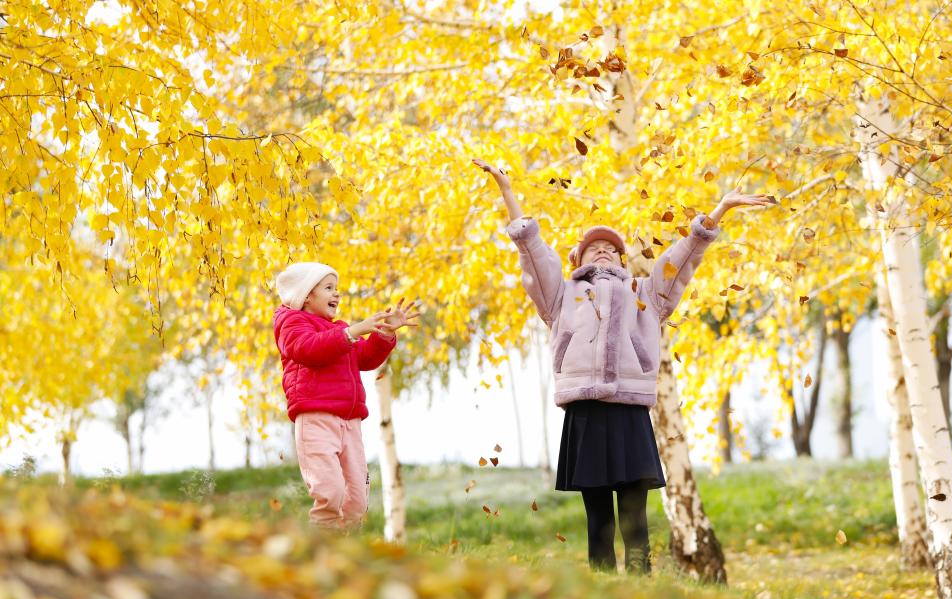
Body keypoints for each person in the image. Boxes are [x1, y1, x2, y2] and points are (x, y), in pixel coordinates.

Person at [473, 159, 771, 572]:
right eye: (594, 246)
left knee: (635, 520)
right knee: (598, 521)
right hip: (585, 413)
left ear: (623, 259)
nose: (604, 250)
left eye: (612, 248)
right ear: (577, 257)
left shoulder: (645, 292)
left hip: (630, 411)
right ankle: (604, 588)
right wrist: (508, 193)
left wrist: (717, 213)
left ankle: (640, 589)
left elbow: (682, 259)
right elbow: (533, 253)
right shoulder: (560, 294)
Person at [273, 262, 419, 529]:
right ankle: (323, 544)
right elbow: (307, 349)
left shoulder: (340, 329)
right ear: (307, 295)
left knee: (357, 498)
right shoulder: (292, 323)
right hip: (316, 419)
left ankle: (349, 546)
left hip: (350, 423)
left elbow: (366, 358)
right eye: (329, 288)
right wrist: (351, 332)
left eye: (336, 288)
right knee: (330, 491)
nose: (337, 294)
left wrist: (385, 333)